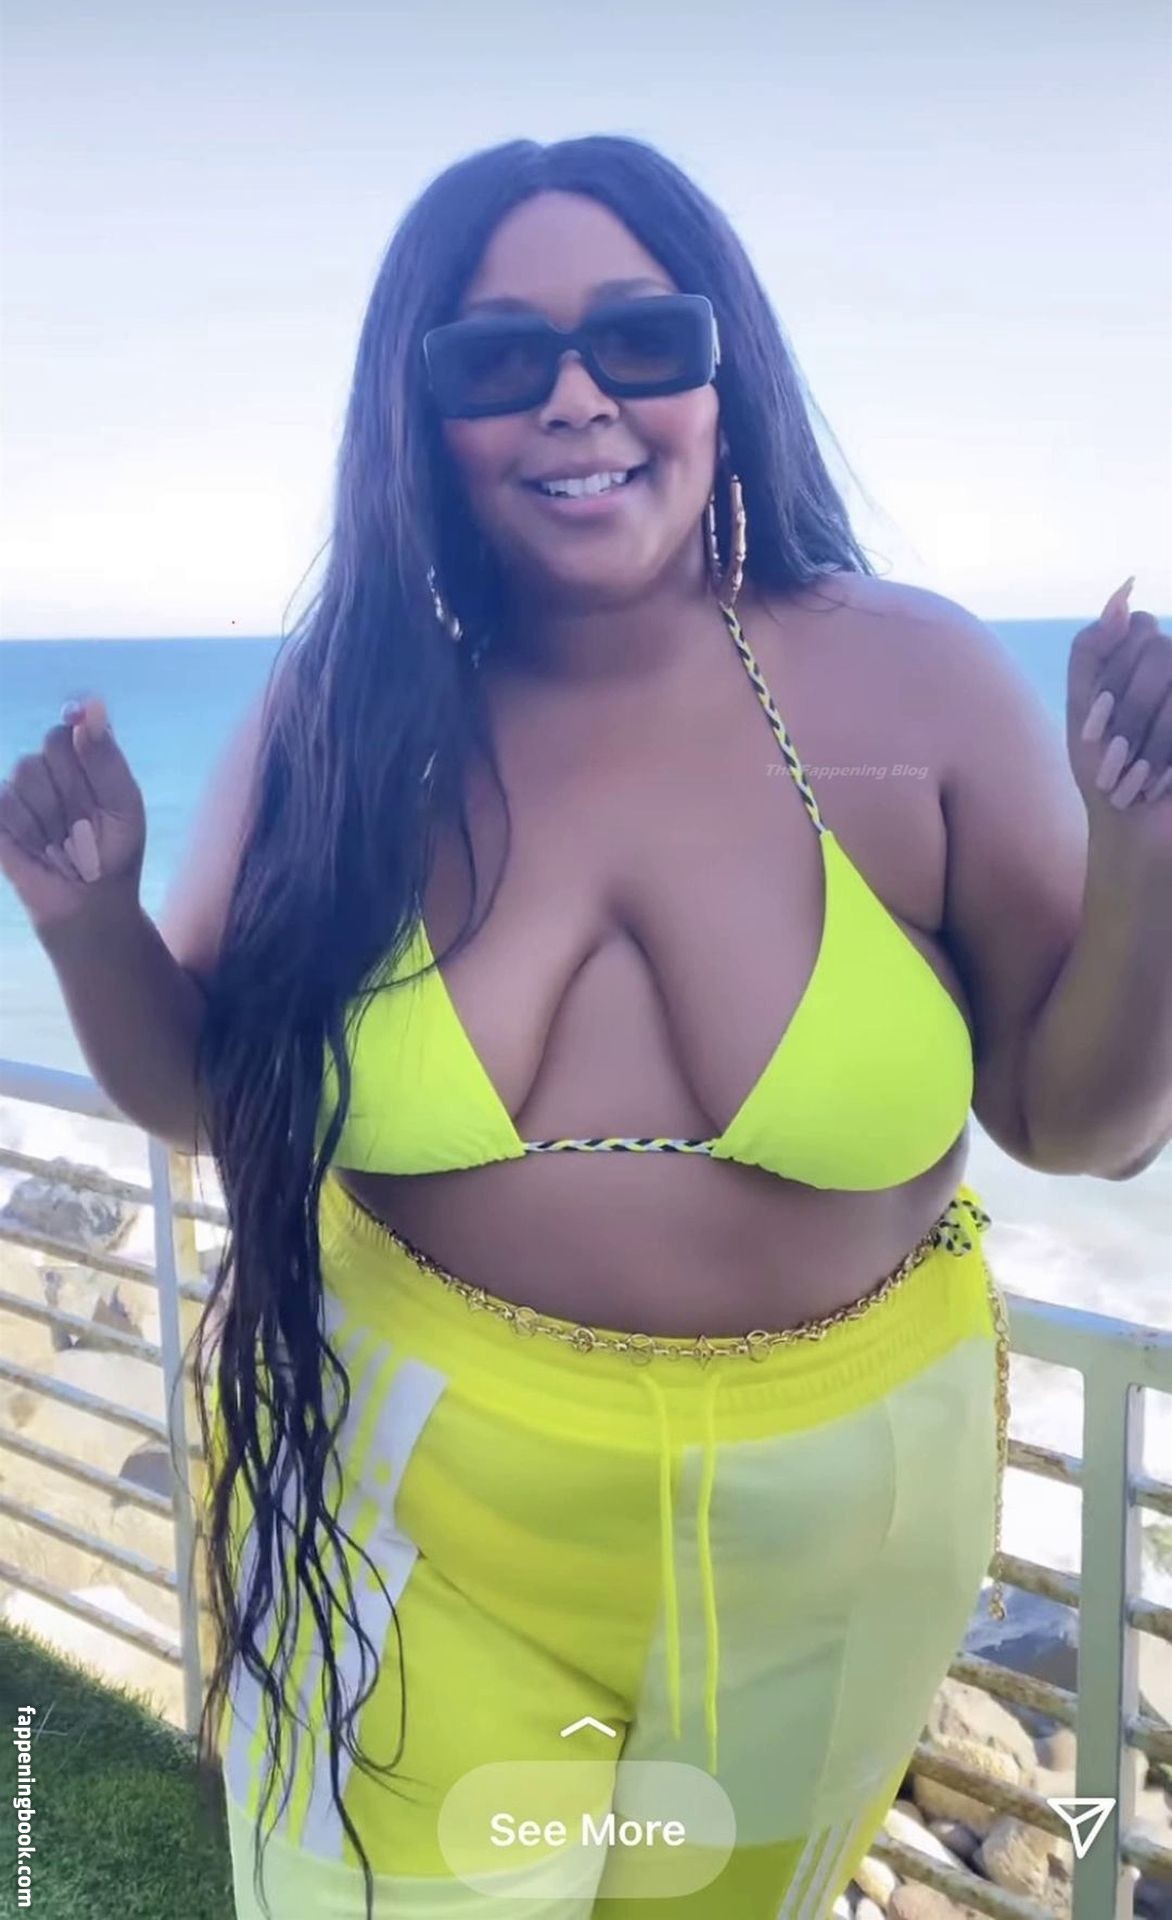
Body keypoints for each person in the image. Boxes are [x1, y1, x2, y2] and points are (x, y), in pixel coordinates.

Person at [4, 134, 1168, 1920]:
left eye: (638, 337)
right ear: (423, 416)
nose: (574, 396)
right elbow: (204, 1100)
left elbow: (1081, 1127)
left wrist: (1145, 855)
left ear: (723, 368)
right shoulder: (342, 717)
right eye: (496, 359)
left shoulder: (917, 685)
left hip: (836, 1544)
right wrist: (87, 919)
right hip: (413, 1513)